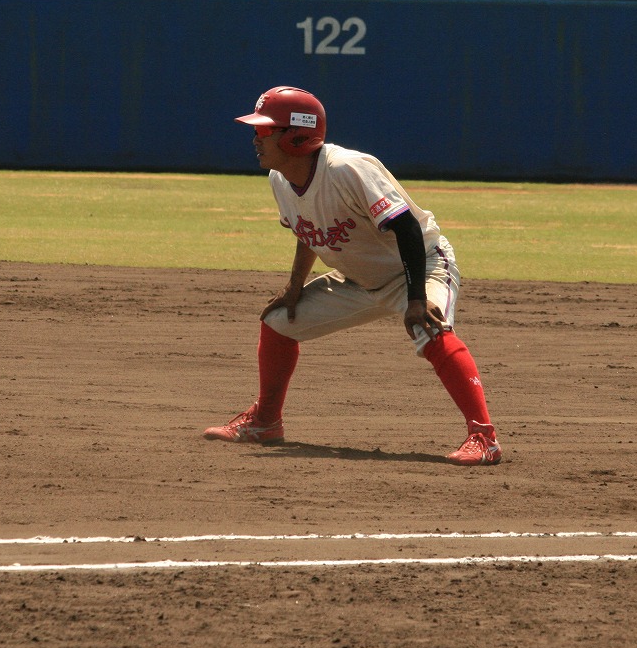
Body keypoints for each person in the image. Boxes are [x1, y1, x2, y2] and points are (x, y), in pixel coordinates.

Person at [204, 86, 502, 465]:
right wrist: (294, 286)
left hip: (420, 266)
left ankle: (484, 438)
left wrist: (416, 299)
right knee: (279, 321)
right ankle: (265, 422)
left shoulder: (347, 169)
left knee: (429, 327)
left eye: (264, 130)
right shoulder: (280, 179)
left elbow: (407, 228)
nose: (255, 139)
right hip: (358, 280)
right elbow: (307, 230)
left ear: (297, 136)